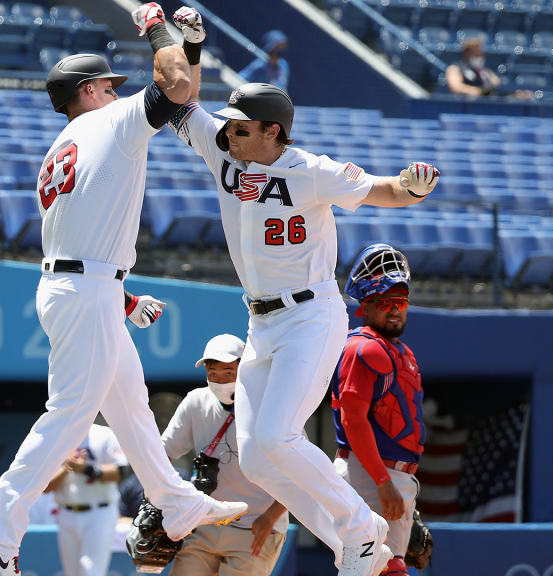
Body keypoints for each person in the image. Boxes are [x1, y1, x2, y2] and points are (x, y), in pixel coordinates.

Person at [0, 4, 247, 575]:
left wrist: (121, 300)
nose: (117, 93)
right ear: (89, 89)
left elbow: (180, 99)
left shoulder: (65, 143)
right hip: (83, 288)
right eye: (109, 85)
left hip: (83, 284)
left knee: (132, 408)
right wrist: (158, 30)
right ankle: (0, 522)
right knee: (71, 413)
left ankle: (174, 499)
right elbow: (176, 86)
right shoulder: (109, 122)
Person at [166, 13, 440, 576]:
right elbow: (182, 105)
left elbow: (383, 190)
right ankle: (354, 544)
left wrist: (412, 186)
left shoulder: (310, 170)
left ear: (275, 132)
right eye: (232, 126)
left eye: (244, 127)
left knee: (274, 436)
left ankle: (363, 531)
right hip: (259, 325)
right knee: (262, 458)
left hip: (310, 316)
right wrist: (190, 47)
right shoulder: (225, 152)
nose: (231, 133)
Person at [331, 244, 424, 576]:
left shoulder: (399, 350)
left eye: (400, 303)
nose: (395, 310)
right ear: (365, 309)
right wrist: (383, 482)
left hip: (391, 476)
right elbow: (352, 419)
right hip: (369, 474)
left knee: (385, 567)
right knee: (377, 568)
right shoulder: (363, 347)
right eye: (385, 303)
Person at [162, 334, 289, 576]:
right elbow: (163, 455)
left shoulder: (271, 405)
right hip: (203, 524)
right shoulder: (196, 401)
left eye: (228, 372)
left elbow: (300, 472)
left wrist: (271, 518)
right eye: (213, 374)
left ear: (244, 368)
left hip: (256, 526)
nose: (220, 380)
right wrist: (164, 501)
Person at [44, 424, 127, 576]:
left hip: (99, 512)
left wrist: (87, 469)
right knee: (72, 573)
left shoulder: (104, 433)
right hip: (67, 513)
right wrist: (66, 467)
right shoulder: (56, 432)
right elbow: (46, 487)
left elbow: (120, 473)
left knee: (91, 571)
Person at [445, 38, 532, 99]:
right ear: (466, 54)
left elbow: (497, 85)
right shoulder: (455, 68)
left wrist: (515, 94)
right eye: (475, 54)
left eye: (480, 54)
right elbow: (456, 87)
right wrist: (477, 91)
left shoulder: (486, 71)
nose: (479, 57)